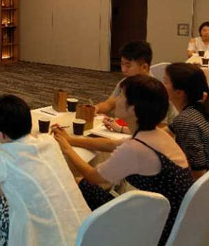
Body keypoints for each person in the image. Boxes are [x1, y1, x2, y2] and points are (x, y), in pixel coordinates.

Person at [52, 75, 193, 246]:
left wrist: (66, 149)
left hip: (153, 228)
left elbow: (93, 176)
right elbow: (111, 144)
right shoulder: (156, 134)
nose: (116, 99)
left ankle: (74, 235)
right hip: (174, 221)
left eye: (121, 96)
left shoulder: (137, 148)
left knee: (76, 183)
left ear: (133, 108)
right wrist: (71, 140)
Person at [0, 95, 90, 246]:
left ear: (0, 134)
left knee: (3, 204)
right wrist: (1, 149)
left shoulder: (3, 158)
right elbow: (22, 152)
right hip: (87, 232)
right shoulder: (49, 141)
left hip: (49, 240)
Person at [164, 63, 209, 180]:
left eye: (165, 82)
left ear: (179, 92)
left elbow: (199, 175)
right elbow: (162, 133)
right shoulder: (199, 108)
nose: (162, 86)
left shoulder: (186, 121)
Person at [95, 41, 152, 116]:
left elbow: (159, 125)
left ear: (144, 67)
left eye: (128, 66)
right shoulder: (125, 82)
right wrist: (95, 108)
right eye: (122, 64)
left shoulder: (155, 90)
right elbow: (109, 104)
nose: (123, 70)